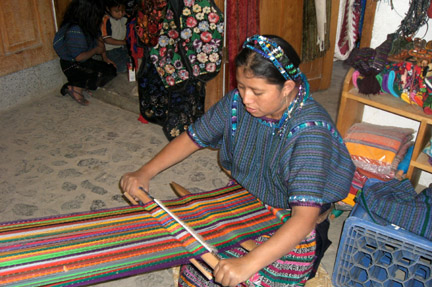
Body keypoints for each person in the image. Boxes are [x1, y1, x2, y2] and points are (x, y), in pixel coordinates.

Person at [120, 34, 355, 287]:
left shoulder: (309, 131)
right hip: (247, 198)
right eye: (242, 86)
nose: (246, 99)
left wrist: (249, 263)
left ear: (287, 87)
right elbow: (193, 137)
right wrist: (145, 172)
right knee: (199, 272)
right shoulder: (237, 103)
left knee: (252, 280)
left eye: (257, 91)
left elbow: (303, 217)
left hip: (292, 219)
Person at [53, 0, 117, 106]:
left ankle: (82, 83)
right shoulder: (75, 30)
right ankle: (74, 87)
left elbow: (99, 40)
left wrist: (105, 58)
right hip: (72, 65)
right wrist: (96, 50)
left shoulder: (89, 24)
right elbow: (79, 57)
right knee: (100, 75)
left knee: (111, 70)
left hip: (84, 61)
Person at [101, 0, 130, 73]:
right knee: (123, 67)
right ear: (108, 9)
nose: (120, 14)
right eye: (117, 11)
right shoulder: (106, 20)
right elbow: (107, 39)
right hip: (111, 50)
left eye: (122, 11)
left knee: (134, 62)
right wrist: (124, 42)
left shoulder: (124, 17)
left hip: (123, 47)